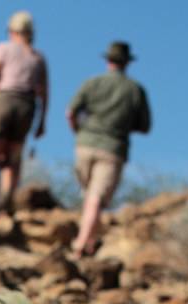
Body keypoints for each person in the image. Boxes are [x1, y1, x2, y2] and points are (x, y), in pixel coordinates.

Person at [66, 41, 151, 257]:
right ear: (127, 62)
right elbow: (145, 126)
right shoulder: (135, 90)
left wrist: (78, 132)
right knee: (95, 198)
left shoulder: (92, 83)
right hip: (112, 148)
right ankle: (81, 244)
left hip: (84, 145)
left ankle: (89, 239)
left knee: (89, 195)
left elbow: (70, 112)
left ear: (108, 60)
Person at [0, 11, 48, 219]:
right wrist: (42, 122)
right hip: (27, 108)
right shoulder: (38, 58)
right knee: (12, 162)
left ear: (12, 31)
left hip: (4, 102)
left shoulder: (3, 49)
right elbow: (44, 93)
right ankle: (6, 204)